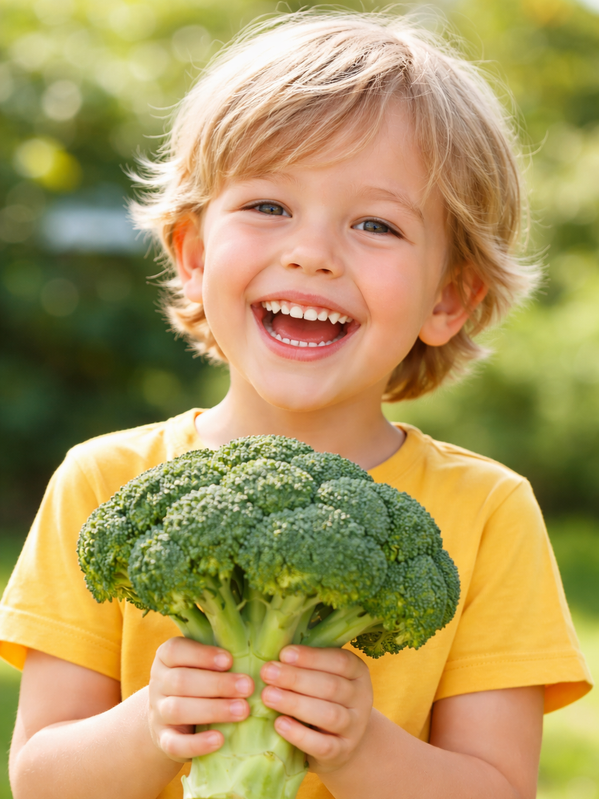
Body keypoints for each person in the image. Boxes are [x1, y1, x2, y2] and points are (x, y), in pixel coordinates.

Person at [1, 11, 592, 799]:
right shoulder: (101, 481)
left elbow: (499, 788)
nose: (311, 252)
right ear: (194, 253)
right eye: (268, 207)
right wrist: (148, 723)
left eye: (375, 224)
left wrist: (363, 747)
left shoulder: (488, 512)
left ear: (447, 298)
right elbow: (39, 777)